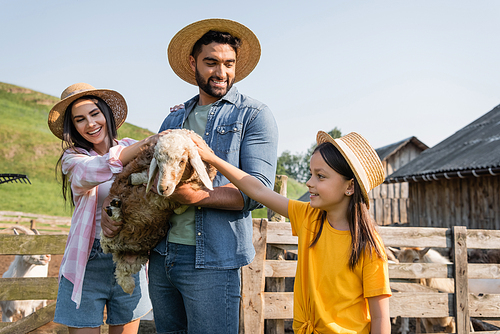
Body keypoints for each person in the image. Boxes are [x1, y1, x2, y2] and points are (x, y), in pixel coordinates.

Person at [102, 18, 279, 334]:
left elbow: (258, 191)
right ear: (192, 62)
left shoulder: (253, 115)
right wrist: (116, 215)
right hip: (162, 255)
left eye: (228, 64)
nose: (221, 73)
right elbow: (148, 173)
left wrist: (191, 196)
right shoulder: (174, 116)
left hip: (213, 261)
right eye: (211, 62)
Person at [192, 130, 392, 334]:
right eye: (311, 173)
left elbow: (380, 316)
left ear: (350, 186)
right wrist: (212, 159)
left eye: (320, 176)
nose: (309, 182)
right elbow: (259, 191)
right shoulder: (309, 217)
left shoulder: (368, 246)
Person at [48, 83, 163, 333]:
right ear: (73, 127)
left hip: (129, 258)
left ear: (106, 115)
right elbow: (96, 169)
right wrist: (147, 144)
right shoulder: (74, 159)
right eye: (80, 120)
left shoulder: (134, 146)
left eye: (94, 114)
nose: (90, 124)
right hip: (88, 261)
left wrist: (179, 115)